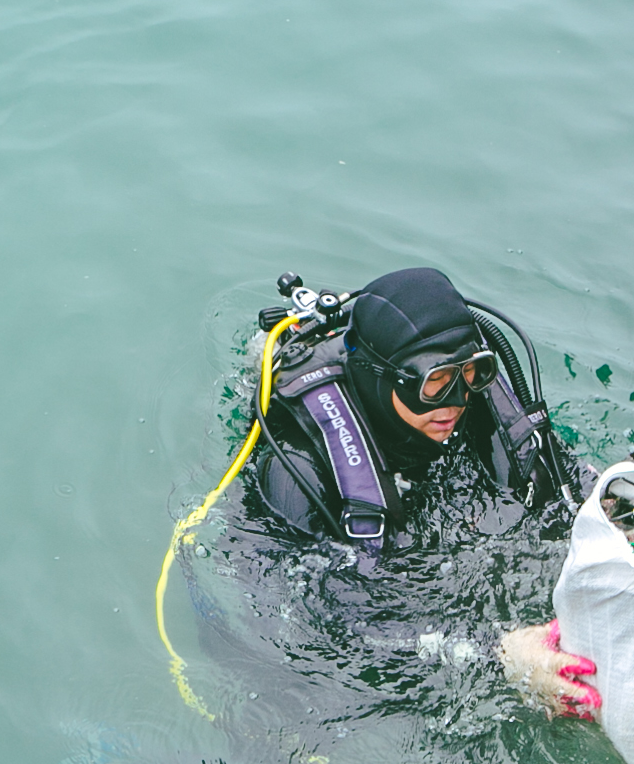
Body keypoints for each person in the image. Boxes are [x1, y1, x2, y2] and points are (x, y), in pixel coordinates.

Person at [238, 266, 600, 718]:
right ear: (379, 376)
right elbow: (329, 622)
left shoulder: (468, 398)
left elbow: (565, 488)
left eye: (469, 372)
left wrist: (627, 504)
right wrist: (499, 654)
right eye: (434, 381)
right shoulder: (297, 472)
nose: (455, 401)